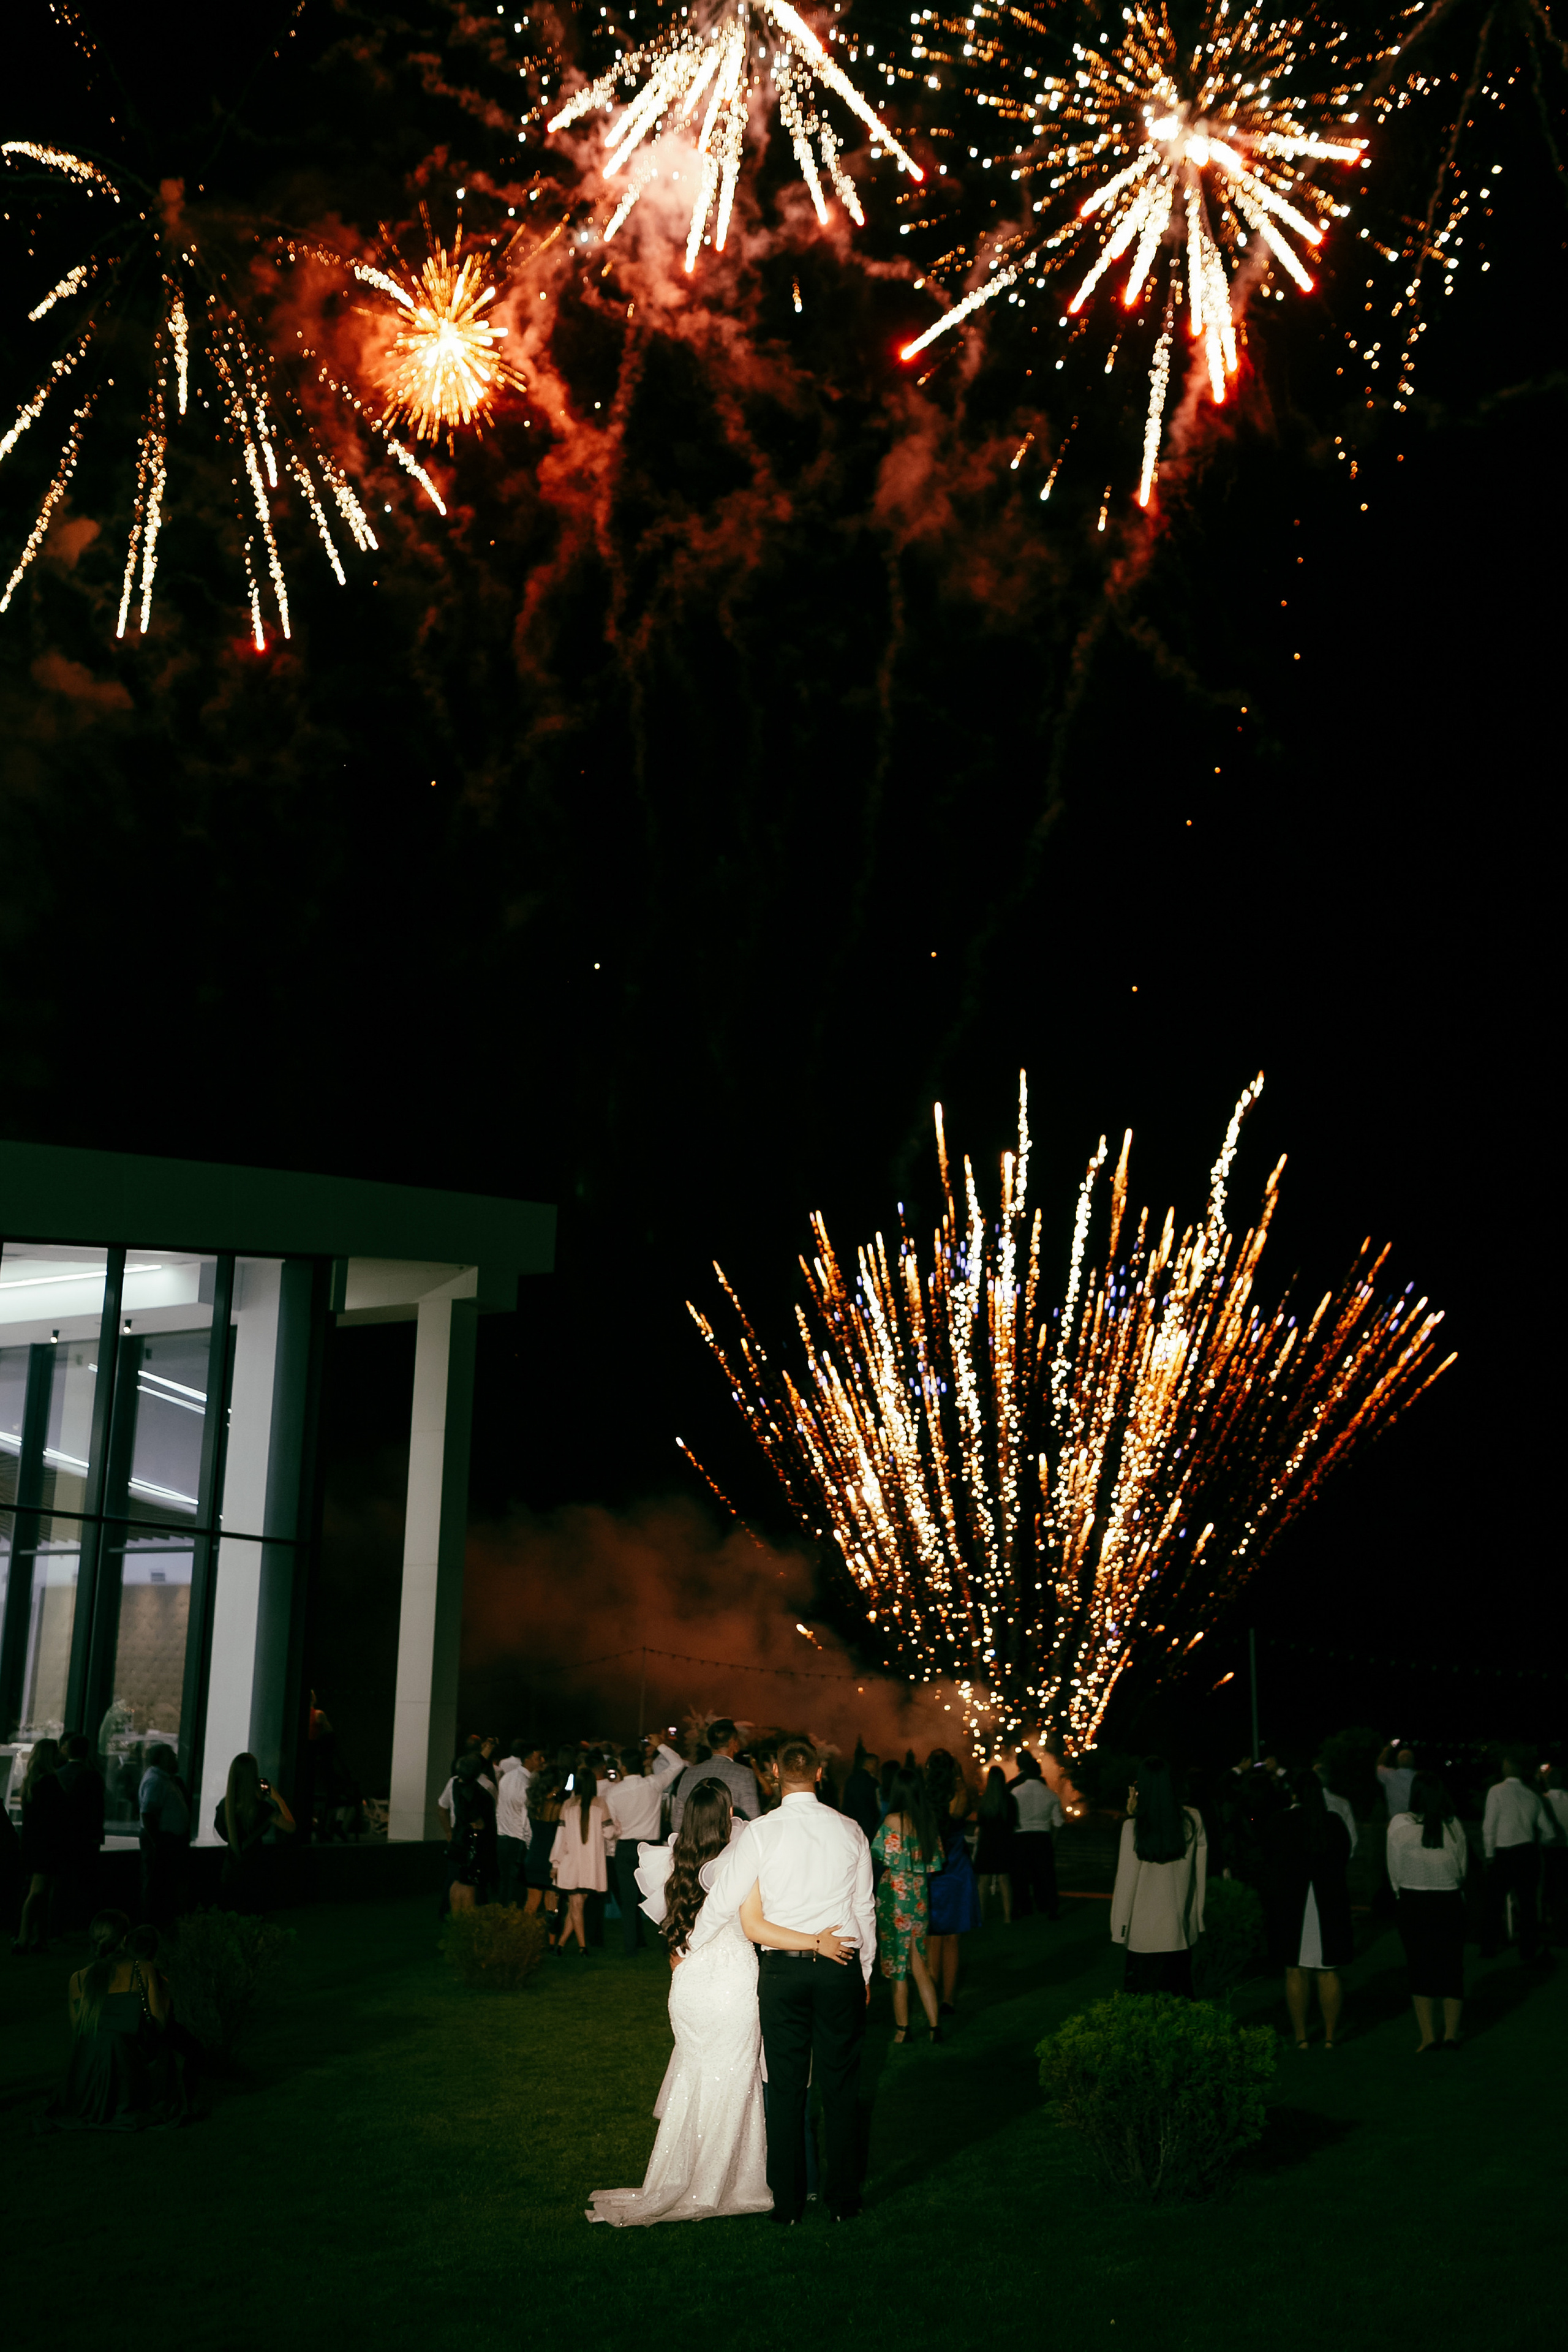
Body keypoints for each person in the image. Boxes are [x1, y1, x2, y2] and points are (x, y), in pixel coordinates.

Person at [587, 1779, 847, 2224]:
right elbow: (752, 1927)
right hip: (732, 1983)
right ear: (727, 1817)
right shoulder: (739, 1865)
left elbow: (674, 1938)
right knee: (737, 2082)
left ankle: (687, 2176)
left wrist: (685, 1968)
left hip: (688, 1986)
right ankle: (725, 2181)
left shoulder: (673, 1863)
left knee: (699, 2081)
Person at [689, 1737, 877, 2225]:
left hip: (783, 1972)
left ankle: (789, 2205)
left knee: (787, 2088)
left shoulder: (761, 1833)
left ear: (774, 1773)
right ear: (819, 1773)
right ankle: (844, 2200)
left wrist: (691, 1945)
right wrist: (868, 1970)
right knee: (840, 2085)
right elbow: (865, 1910)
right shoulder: (850, 1829)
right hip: (840, 1966)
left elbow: (724, 1898)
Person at [45, 1909, 170, 2131]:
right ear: (124, 1940)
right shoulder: (142, 1969)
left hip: (85, 2078)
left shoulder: (78, 1980)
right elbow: (159, 2025)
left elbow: (80, 2036)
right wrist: (166, 1991)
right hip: (126, 2076)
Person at [1265, 1766, 1353, 2048]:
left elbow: (1271, 1862)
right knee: (1328, 1969)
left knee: (1295, 1969)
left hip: (1293, 1905)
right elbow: (1343, 1858)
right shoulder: (1334, 1823)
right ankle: (1329, 2036)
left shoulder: (1281, 1823)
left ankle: (1301, 2037)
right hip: (1328, 1903)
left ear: (1294, 1792)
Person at [1110, 1755, 1207, 1996]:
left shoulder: (1134, 1828)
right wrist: (1197, 1918)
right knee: (1179, 2001)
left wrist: (1119, 1928)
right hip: (1179, 1929)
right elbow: (1199, 1877)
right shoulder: (1192, 1820)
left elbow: (1125, 1884)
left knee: (1145, 2007)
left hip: (1143, 1935)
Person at [1387, 1771, 1469, 2051]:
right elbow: (1462, 1870)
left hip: (1413, 1902)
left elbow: (1394, 1872)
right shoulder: (1453, 1825)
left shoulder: (1400, 1825)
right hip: (1448, 1902)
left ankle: (1427, 2037)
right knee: (1451, 1968)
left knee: (1420, 1969)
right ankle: (1451, 2035)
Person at [870, 1762, 944, 2044]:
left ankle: (902, 2031)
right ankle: (935, 2026)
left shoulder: (892, 1822)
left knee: (897, 1965)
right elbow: (935, 1861)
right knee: (919, 1962)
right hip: (920, 1897)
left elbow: (878, 1853)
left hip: (896, 1897)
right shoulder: (927, 1820)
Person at [601, 1738, 684, 1954]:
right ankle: (667, 1943)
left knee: (628, 1900)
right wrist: (660, 1745)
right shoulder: (653, 1783)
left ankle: (632, 1945)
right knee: (660, 1898)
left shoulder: (614, 1792)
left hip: (625, 1847)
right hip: (650, 1849)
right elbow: (678, 1764)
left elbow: (613, 1823)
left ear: (624, 1767)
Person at [924, 1749, 979, 2013]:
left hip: (934, 1871)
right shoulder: (960, 1794)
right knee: (952, 1939)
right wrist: (959, 1778)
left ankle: (933, 1996)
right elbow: (963, 1811)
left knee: (934, 1937)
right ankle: (948, 1999)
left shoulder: (924, 1797)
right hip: (957, 1869)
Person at [1481, 1751, 1551, 1962]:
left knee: (1493, 1902)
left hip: (1504, 1853)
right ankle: (1528, 1950)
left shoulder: (1497, 1791)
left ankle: (1489, 1947)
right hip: (1527, 1853)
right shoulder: (1532, 1795)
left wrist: (1489, 1854)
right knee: (1528, 1904)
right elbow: (1548, 1830)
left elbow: (1489, 1826)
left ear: (1506, 1768)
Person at [213, 1753, 296, 1912]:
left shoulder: (224, 1806)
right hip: (254, 1873)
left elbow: (224, 1835)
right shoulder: (262, 1810)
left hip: (230, 1871)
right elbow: (291, 1827)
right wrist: (278, 1799)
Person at [551, 1764, 611, 1954]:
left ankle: (561, 1945)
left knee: (575, 1906)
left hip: (571, 1863)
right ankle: (582, 1947)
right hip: (590, 1866)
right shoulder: (600, 1804)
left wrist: (555, 1863)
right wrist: (617, 1828)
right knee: (577, 1905)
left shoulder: (567, 1805)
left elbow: (560, 1839)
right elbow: (609, 1833)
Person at [13, 1736, 66, 1954]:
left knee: (39, 1891)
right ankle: (27, 1938)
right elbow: (57, 1817)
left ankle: (34, 1937)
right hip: (48, 1845)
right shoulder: (50, 1783)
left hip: (34, 1843)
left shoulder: (32, 1783)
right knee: (40, 1892)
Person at [668, 1720, 762, 1833]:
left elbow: (677, 1822)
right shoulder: (744, 1774)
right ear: (734, 1742)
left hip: (695, 1845)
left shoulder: (689, 1773)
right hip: (728, 1845)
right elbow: (752, 1818)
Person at [54, 1734, 106, 1928]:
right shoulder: (91, 1776)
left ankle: (59, 1924)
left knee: (63, 1883)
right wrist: (96, 1835)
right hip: (86, 1838)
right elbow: (97, 1809)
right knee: (87, 1884)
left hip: (64, 1837)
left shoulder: (59, 1774)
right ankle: (86, 1924)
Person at [137, 1744, 190, 1926]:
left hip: (167, 1841)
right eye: (171, 1756)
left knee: (163, 1885)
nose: (175, 1759)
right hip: (163, 1842)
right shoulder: (156, 1781)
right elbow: (148, 1813)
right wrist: (158, 1843)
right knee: (156, 1885)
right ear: (161, 1759)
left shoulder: (166, 1780)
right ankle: (153, 1925)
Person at [1011, 1750, 1065, 1921]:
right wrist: (1053, 1841)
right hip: (1042, 1837)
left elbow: (1010, 1818)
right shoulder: (1051, 1794)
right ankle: (1049, 1907)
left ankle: (1022, 1907)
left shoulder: (1015, 1792)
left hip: (1020, 1836)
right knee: (1046, 1875)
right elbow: (1058, 1822)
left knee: (1020, 1875)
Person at [448, 1752, 499, 1912]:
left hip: (459, 1838)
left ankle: (456, 1920)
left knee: (458, 1881)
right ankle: (467, 1923)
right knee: (470, 1884)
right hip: (474, 1842)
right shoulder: (479, 1793)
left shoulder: (455, 1784)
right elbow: (481, 1822)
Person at [974, 1763, 1019, 1924]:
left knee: (983, 1882)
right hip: (1004, 1843)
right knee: (1005, 1880)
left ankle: (982, 1916)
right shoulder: (1010, 1800)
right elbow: (1014, 1823)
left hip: (987, 1844)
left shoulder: (985, 1801)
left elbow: (981, 1823)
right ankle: (1008, 1917)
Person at [841, 1749, 880, 1841]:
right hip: (868, 1825)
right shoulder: (872, 1782)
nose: (878, 1767)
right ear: (870, 1764)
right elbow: (876, 1805)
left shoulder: (851, 1779)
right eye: (876, 1764)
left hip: (851, 1823)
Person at [1376, 1742, 1417, 1820]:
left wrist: (1388, 1748)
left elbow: (1380, 1764)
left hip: (1395, 1821)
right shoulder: (1420, 1777)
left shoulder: (1389, 1775)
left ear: (1397, 1761)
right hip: (1415, 1821)